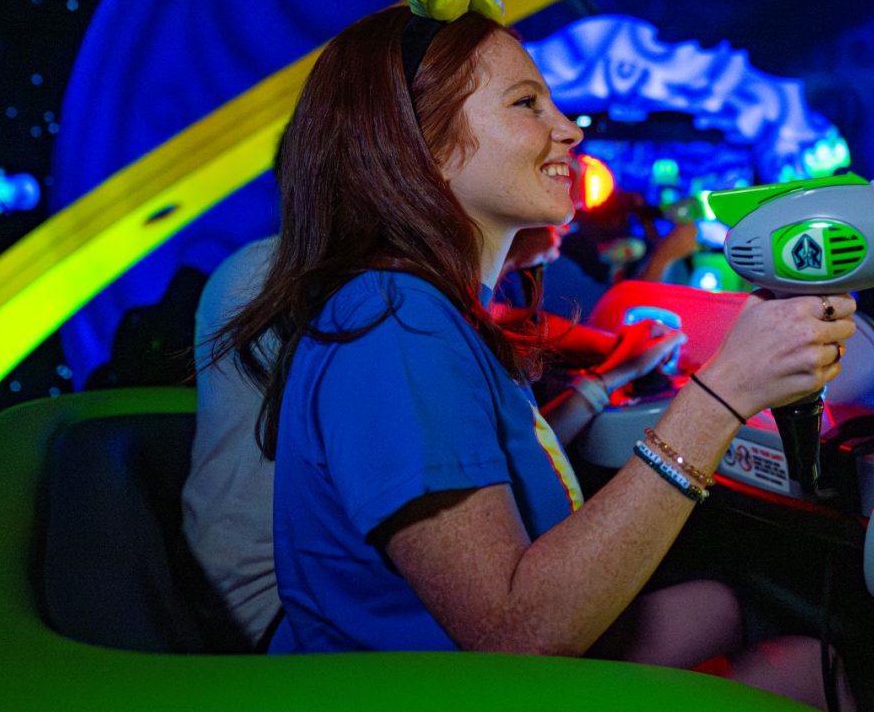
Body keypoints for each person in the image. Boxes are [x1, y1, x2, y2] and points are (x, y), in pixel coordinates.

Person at [210, 0, 858, 712]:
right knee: (813, 671)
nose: (571, 130)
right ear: (419, 146)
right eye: (527, 104)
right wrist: (724, 394)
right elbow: (514, 635)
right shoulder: (394, 322)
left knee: (722, 606)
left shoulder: (432, 308)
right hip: (434, 700)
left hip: (446, 681)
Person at [181, 229, 681, 649]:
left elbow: (506, 427)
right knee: (703, 592)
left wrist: (608, 368)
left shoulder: (401, 295)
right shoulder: (366, 300)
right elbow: (512, 633)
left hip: (331, 579)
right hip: (277, 602)